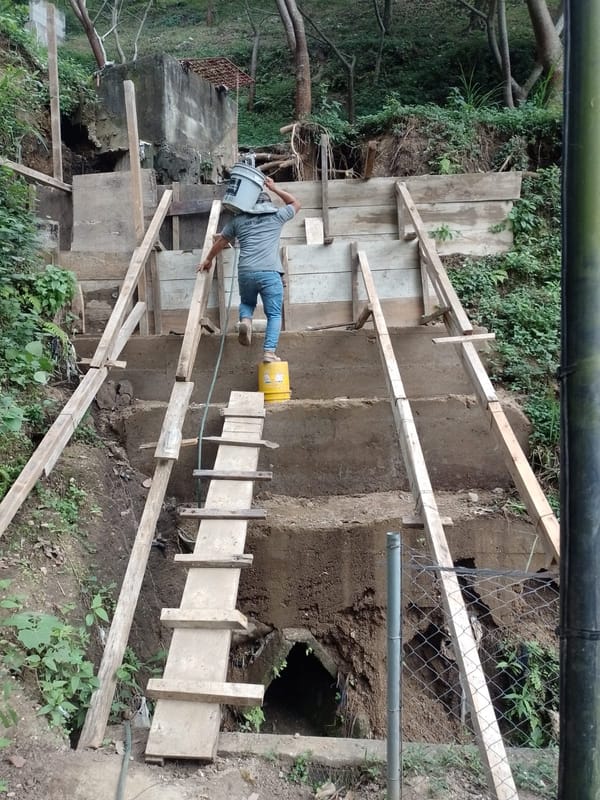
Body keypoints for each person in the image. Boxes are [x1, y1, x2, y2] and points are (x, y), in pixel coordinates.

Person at [198, 176, 301, 363]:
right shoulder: (276, 216)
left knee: (247, 303)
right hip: (270, 272)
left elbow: (221, 242)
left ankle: (246, 322)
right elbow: (295, 203)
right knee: (274, 314)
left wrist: (208, 259)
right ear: (268, 205)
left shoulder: (238, 221)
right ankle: (269, 352)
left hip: (246, 271)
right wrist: (274, 188)